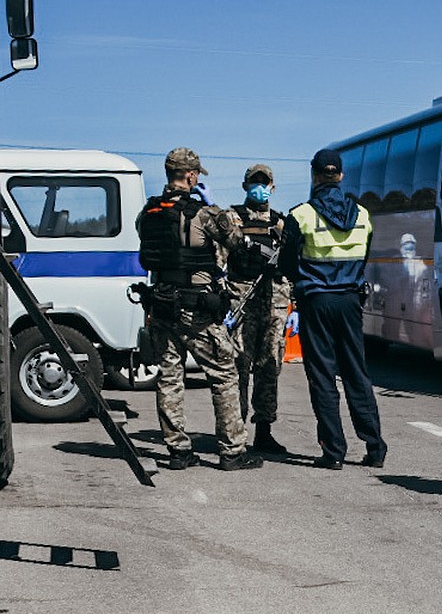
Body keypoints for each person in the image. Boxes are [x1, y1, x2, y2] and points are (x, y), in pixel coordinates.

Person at [136, 147, 263, 471]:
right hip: (197, 308)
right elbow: (234, 240)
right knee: (224, 374)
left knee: (169, 377)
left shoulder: (147, 214)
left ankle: (178, 451)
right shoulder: (202, 215)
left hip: (162, 304)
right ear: (191, 175)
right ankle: (232, 450)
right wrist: (215, 210)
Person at [278, 149, 386, 470]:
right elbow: (364, 258)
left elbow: (287, 264)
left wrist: (304, 283)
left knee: (323, 376)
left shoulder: (301, 216)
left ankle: (334, 451)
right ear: (340, 175)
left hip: (316, 303)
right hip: (350, 301)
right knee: (357, 373)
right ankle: (374, 447)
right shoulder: (364, 215)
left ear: (314, 175)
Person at [225, 164, 292, 454]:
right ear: (245, 186)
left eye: (265, 183)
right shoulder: (231, 219)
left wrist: (294, 303)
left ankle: (264, 430)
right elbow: (219, 260)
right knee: (238, 367)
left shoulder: (282, 223)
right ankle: (235, 431)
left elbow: (291, 264)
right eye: (255, 182)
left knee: (269, 368)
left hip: (275, 303)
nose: (260, 187)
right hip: (242, 301)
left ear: (273, 188)